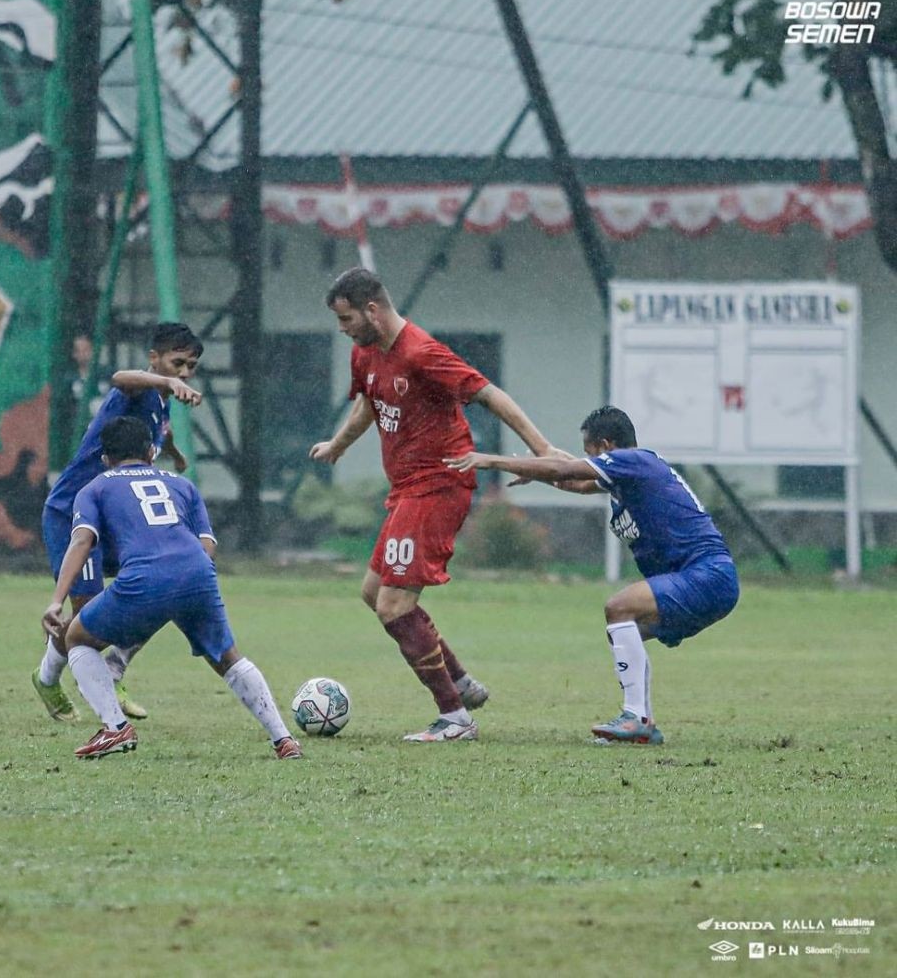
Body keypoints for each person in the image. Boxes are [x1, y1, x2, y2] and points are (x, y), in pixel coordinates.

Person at [309, 267, 558, 743]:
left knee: (394, 605)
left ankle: (455, 717)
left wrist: (542, 451)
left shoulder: (422, 352)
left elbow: (490, 395)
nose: (342, 330)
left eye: (346, 319)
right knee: (373, 592)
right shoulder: (366, 353)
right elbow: (368, 402)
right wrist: (338, 445)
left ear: (373, 311)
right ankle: (460, 681)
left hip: (440, 484)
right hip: (406, 489)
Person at [445, 405, 740, 744]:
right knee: (622, 630)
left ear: (605, 446)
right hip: (705, 580)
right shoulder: (627, 478)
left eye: (590, 453)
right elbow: (574, 480)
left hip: (707, 575)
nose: (588, 461)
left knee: (619, 608)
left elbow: (564, 468)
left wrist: (491, 461)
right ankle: (641, 723)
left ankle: (636, 719)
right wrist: (540, 472)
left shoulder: (636, 461)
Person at [42, 416, 302, 760]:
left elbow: (81, 542)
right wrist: (183, 583)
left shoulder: (95, 487)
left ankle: (115, 730)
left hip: (144, 578)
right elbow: (207, 543)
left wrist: (57, 600)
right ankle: (283, 739)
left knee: (76, 638)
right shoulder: (181, 483)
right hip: (197, 571)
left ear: (104, 459)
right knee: (228, 658)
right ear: (152, 452)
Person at [33, 322, 204, 725]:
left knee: (166, 585)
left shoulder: (159, 403)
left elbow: (163, 429)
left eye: (190, 366)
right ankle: (47, 678)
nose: (183, 373)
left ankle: (113, 671)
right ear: (154, 359)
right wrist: (163, 380)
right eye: (176, 363)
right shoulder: (136, 387)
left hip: (113, 519)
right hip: (73, 512)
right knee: (89, 616)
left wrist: (175, 454)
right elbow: (119, 377)